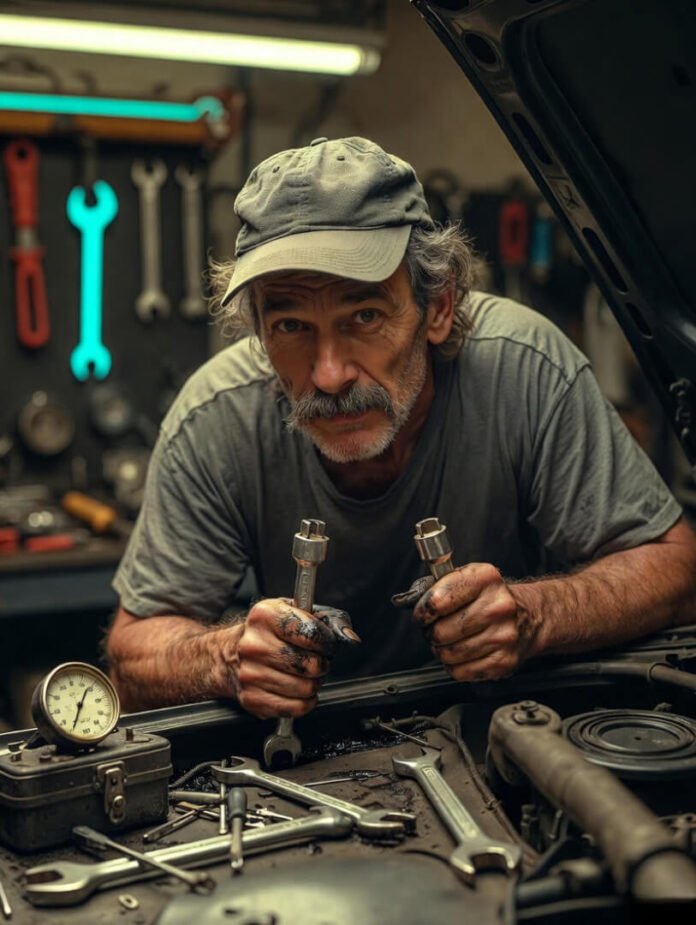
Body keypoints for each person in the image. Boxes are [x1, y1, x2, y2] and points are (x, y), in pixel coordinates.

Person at [106, 136, 696, 718]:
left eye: (364, 315)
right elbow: (132, 660)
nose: (329, 375)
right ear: (258, 329)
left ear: (438, 307)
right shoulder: (216, 416)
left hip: (509, 724)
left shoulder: (525, 368)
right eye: (291, 326)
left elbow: (676, 570)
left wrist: (536, 614)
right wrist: (226, 657)